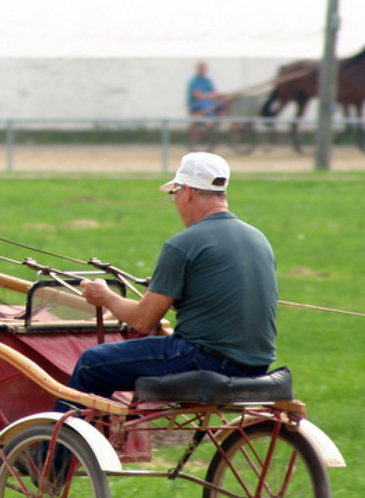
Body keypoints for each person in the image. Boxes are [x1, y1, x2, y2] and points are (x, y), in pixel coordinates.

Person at [59, 152, 277, 407]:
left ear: (186, 191)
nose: (175, 202)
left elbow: (143, 320)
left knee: (91, 363)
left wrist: (105, 297)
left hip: (203, 361)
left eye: (173, 195)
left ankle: (59, 445)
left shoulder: (183, 244)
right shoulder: (258, 239)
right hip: (257, 364)